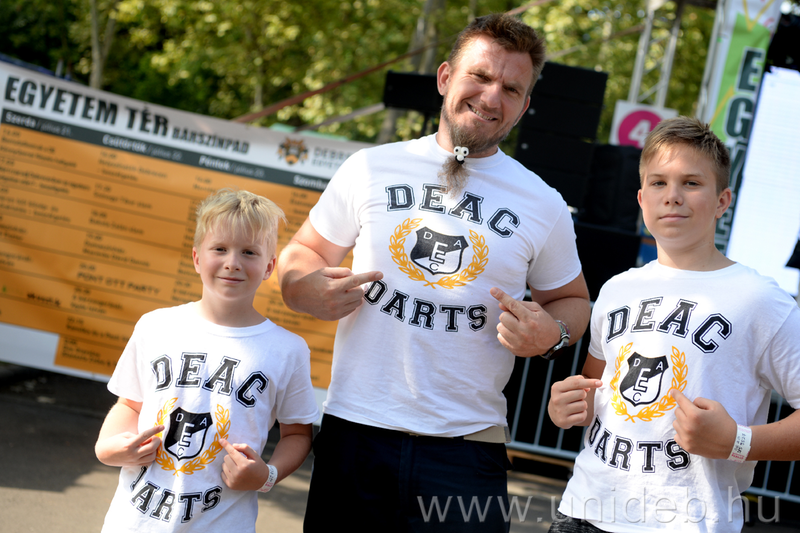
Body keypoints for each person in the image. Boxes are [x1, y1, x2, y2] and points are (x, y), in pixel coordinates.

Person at [277, 13, 591, 532]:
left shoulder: (544, 204)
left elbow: (573, 301)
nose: (491, 97)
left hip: (467, 450)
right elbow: (305, 251)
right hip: (356, 432)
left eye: (511, 88)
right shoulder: (370, 167)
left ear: (524, 105)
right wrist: (300, 287)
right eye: (480, 76)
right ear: (445, 77)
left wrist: (552, 333)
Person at [547, 116, 800, 532]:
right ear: (641, 198)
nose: (673, 196)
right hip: (584, 512)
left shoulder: (760, 300)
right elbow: (595, 392)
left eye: (691, 183)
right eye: (659, 183)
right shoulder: (616, 289)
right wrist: (566, 406)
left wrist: (737, 442)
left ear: (722, 201)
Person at [95, 188, 319, 532]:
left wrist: (267, 476)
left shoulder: (288, 350)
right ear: (197, 257)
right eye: (220, 249)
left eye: (249, 252)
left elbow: (298, 434)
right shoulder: (155, 326)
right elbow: (129, 404)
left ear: (269, 267)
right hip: (133, 522)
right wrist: (108, 448)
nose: (233, 262)